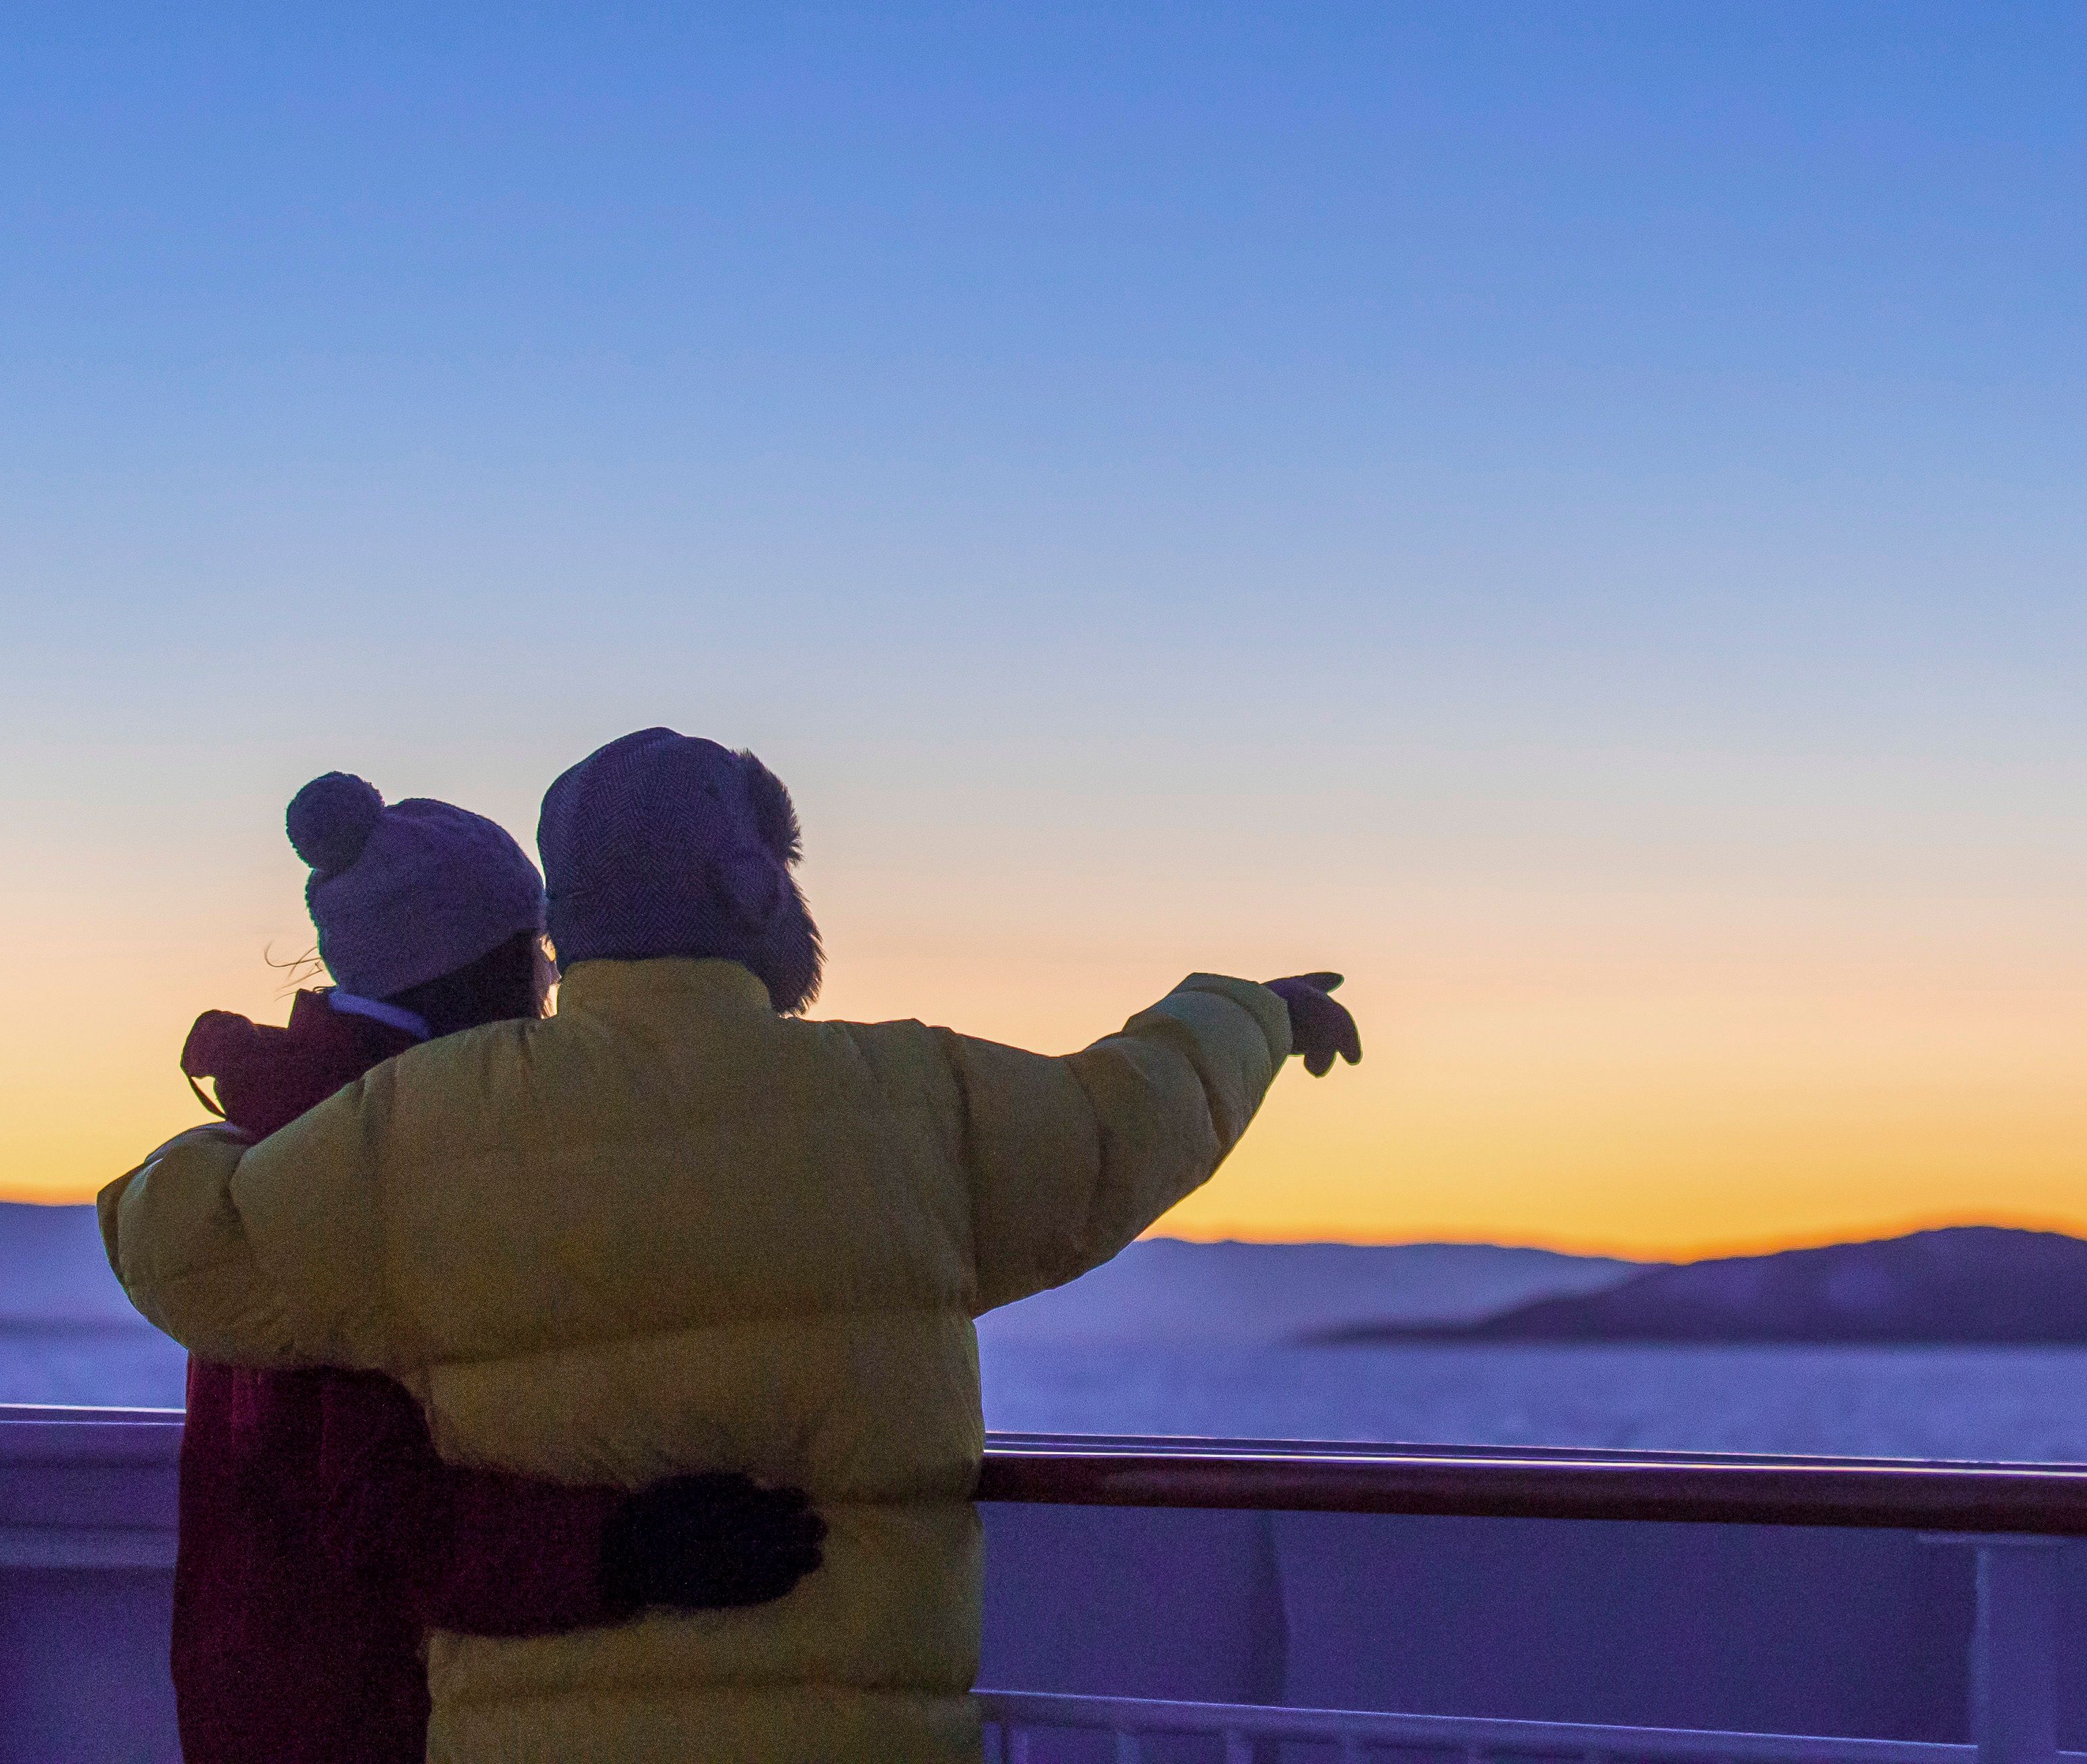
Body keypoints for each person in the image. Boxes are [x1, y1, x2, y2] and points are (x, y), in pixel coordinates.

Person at [105, 727, 1360, 1764]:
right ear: (759, 895)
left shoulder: (415, 1129)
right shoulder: (908, 1103)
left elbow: (182, 1244)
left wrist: (249, 1121)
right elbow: (1119, 1121)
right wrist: (1249, 1015)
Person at [161, 771, 826, 1764]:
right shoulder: (372, 1162)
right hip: (359, 1712)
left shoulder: (304, 1128)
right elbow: (373, 1511)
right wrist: (630, 1550)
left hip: (278, 1695)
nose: (552, 996)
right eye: (542, 966)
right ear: (485, 973)